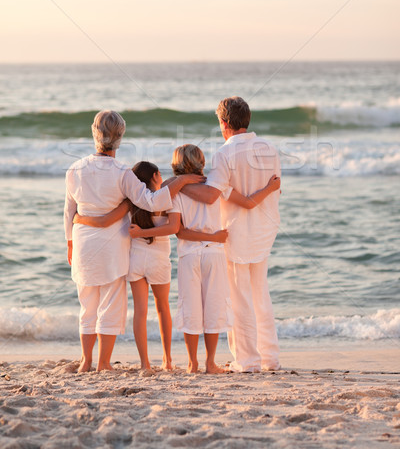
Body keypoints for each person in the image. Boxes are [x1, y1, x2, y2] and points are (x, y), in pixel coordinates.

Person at [64, 110, 203, 373]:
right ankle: (103, 363)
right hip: (112, 248)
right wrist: (181, 180)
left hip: (83, 244)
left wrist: (70, 242)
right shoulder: (122, 173)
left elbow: (69, 211)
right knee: (110, 306)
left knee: (87, 305)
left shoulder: (75, 169)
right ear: (120, 138)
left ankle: (86, 361)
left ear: (95, 133)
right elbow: (151, 201)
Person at [181, 97, 281, 373]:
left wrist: (177, 185)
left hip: (236, 231)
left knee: (239, 296)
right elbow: (275, 189)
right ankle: (270, 358)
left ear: (224, 124)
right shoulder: (270, 149)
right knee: (260, 294)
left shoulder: (224, 153)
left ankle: (248, 360)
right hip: (264, 228)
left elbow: (211, 194)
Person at [74, 161, 181, 372]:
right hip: (159, 260)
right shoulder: (168, 199)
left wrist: (79, 218)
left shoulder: (130, 201)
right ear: (157, 175)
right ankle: (167, 360)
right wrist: (183, 180)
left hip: (135, 260)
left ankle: (145, 363)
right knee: (162, 307)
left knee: (140, 311)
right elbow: (173, 227)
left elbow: (107, 220)